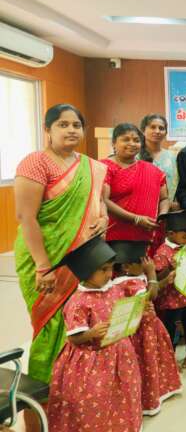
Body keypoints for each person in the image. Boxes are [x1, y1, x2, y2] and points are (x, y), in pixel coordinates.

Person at [14, 103, 108, 383]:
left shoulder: (91, 166)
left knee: (81, 317)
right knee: (51, 321)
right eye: (62, 124)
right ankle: (47, 387)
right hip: (45, 258)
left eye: (76, 125)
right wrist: (43, 266)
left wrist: (103, 218)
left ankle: (79, 384)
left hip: (83, 256)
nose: (71, 130)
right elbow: (26, 217)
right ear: (48, 129)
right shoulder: (35, 162)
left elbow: (99, 202)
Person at [46, 236, 142, 432]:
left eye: (111, 268)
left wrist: (139, 310)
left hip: (120, 354)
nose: (110, 274)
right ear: (85, 272)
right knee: (95, 400)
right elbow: (74, 338)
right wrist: (91, 333)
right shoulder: (78, 302)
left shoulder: (114, 289)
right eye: (103, 270)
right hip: (92, 362)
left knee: (122, 394)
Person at [110, 241, 182, 416]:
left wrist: (162, 281)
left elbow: (149, 290)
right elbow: (151, 295)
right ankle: (149, 397)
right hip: (143, 330)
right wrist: (151, 274)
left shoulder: (125, 280)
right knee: (147, 361)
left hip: (141, 328)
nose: (146, 265)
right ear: (126, 266)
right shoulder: (130, 283)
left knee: (145, 361)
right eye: (141, 262)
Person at [102, 123, 170, 244]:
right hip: (115, 235)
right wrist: (136, 219)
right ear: (113, 143)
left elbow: (164, 198)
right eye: (126, 139)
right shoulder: (104, 167)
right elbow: (103, 200)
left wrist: (162, 215)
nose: (132, 144)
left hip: (149, 234)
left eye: (136, 140)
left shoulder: (152, 170)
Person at [154, 209, 186, 369]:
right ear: (171, 233)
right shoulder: (162, 252)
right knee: (171, 331)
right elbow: (157, 278)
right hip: (171, 301)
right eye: (185, 236)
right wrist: (169, 268)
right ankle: (170, 359)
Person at [139, 114, 179, 208]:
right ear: (143, 130)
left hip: (168, 209)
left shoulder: (172, 157)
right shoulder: (135, 157)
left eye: (161, 128)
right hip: (141, 209)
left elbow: (178, 184)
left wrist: (175, 203)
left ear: (165, 133)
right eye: (153, 127)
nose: (157, 131)